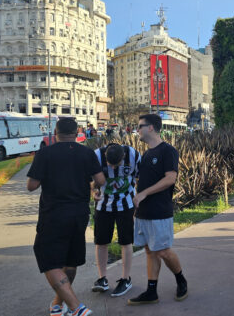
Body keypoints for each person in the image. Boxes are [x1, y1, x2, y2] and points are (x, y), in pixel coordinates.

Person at [27, 117, 106, 316]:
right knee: (70, 261)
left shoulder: (45, 153)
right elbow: (100, 180)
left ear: (56, 132)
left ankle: (76, 308)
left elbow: (31, 186)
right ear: (77, 132)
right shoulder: (86, 153)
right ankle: (57, 304)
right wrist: (91, 187)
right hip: (79, 214)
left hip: (53, 214)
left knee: (48, 260)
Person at [128, 114, 188, 305]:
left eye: (139, 126)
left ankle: (181, 279)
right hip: (143, 212)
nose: (137, 130)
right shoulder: (146, 154)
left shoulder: (167, 151)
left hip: (159, 210)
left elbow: (171, 178)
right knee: (149, 251)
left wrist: (144, 193)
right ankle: (151, 291)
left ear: (151, 128)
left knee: (163, 251)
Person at [91, 143, 141, 297]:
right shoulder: (96, 156)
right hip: (103, 205)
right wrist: (93, 191)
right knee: (101, 241)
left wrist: (139, 195)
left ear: (124, 157)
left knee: (126, 242)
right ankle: (102, 278)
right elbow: (88, 179)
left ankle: (126, 279)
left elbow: (141, 176)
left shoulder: (134, 155)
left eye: (116, 165)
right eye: (109, 165)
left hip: (126, 204)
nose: (113, 168)